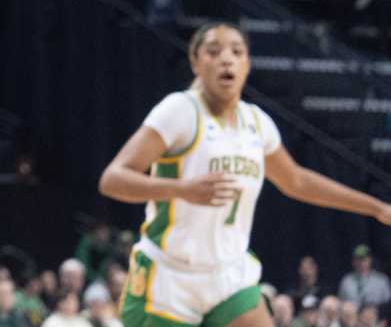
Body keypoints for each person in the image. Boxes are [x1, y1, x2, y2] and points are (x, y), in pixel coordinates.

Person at [99, 23, 391, 327]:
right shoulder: (179, 111)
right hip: (170, 277)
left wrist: (377, 207)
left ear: (247, 64)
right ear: (196, 62)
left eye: (237, 52)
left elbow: (298, 181)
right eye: (214, 51)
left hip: (228, 274)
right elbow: (113, 179)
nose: (226, 59)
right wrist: (182, 188)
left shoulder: (256, 123)